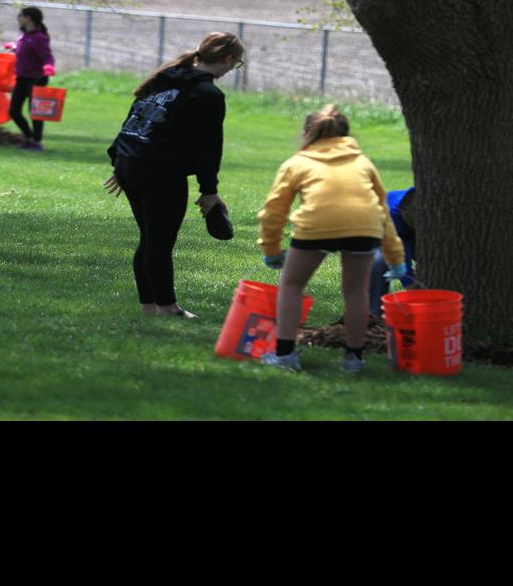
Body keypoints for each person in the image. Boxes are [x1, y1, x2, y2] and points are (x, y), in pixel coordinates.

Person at [104, 31, 246, 317]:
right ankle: (167, 308)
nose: (233, 68)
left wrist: (120, 160)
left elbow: (135, 118)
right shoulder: (207, 95)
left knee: (150, 238)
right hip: (158, 171)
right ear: (228, 59)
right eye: (236, 63)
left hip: (132, 163)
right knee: (159, 241)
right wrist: (209, 191)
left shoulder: (166, 79)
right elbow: (210, 148)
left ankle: (149, 306)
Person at [257, 105, 407, 373]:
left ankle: (285, 355)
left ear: (307, 133)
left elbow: (274, 211)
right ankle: (354, 360)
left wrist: (271, 249)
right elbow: (382, 210)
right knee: (356, 291)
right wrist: (396, 258)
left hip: (316, 225)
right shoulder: (362, 162)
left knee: (291, 285)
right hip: (364, 226)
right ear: (346, 135)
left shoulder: (297, 162)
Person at [6, 7, 56, 151]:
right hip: (22, 78)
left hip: (37, 79)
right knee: (14, 111)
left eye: (20, 16)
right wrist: (15, 47)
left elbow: (47, 56)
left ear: (29, 18)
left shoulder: (40, 37)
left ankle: (37, 142)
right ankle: (29, 136)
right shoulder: (24, 35)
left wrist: (49, 67)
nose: (18, 18)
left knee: (35, 112)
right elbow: (27, 50)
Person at [368, 186, 419, 319]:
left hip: (409, 232)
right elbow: (398, 251)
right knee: (378, 264)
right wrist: (409, 282)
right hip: (379, 236)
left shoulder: (416, 199)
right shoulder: (390, 215)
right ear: (405, 214)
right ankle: (374, 314)